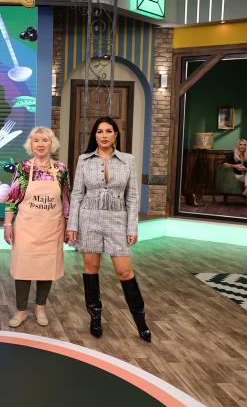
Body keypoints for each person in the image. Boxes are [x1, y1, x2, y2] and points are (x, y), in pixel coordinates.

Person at [66, 116, 151, 342]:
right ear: (95, 136)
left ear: (116, 135)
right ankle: (95, 318)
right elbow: (77, 194)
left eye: (108, 131)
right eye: (99, 131)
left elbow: (132, 197)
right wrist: (72, 224)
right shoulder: (84, 160)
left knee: (124, 271)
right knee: (91, 268)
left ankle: (141, 322)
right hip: (89, 219)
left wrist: (132, 228)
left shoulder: (128, 160)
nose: (103, 135)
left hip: (117, 220)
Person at [3, 126, 70, 327]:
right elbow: (12, 198)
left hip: (52, 227)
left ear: (52, 144)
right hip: (26, 227)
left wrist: (68, 225)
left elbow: (66, 199)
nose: (40, 144)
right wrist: (7, 224)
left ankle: (40, 307)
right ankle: (21, 310)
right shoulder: (22, 168)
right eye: (36, 140)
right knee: (23, 268)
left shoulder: (61, 169)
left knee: (46, 267)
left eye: (45, 140)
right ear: (31, 145)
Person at [222, 139, 247, 208]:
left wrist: (245, 169)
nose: (242, 146)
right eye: (240, 144)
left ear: (246, 147)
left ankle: (246, 191)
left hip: (245, 177)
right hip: (234, 176)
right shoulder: (232, 154)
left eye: (244, 145)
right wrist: (235, 166)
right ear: (237, 146)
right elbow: (224, 164)